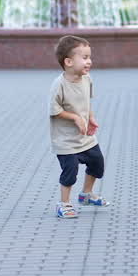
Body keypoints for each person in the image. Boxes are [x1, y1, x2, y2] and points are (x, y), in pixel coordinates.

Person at [49, 35, 110, 219]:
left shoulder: (87, 79)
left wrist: (91, 118)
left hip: (85, 137)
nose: (89, 61)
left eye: (89, 57)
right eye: (84, 58)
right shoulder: (59, 85)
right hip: (65, 141)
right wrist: (75, 117)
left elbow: (87, 101)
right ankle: (64, 204)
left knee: (97, 163)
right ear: (68, 62)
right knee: (70, 171)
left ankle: (86, 195)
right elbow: (54, 110)